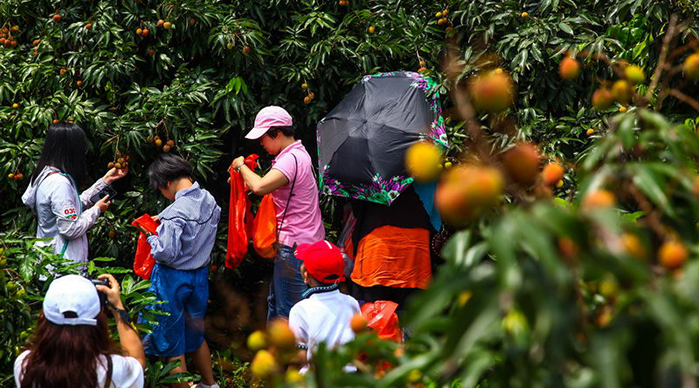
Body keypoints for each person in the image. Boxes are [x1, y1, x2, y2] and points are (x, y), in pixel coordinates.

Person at [231, 106, 325, 321]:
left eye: (263, 138)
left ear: (277, 133)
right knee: (279, 304)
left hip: (294, 247)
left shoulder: (290, 159)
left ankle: (290, 354)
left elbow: (260, 187)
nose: (261, 144)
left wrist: (240, 167)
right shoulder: (299, 155)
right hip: (306, 242)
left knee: (289, 312)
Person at [139, 154, 220, 388]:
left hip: (172, 279)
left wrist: (153, 236)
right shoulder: (209, 199)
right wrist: (165, 221)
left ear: (166, 183)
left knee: (171, 342)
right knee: (195, 336)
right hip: (199, 276)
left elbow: (165, 253)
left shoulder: (175, 213)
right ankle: (210, 384)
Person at [22, 123, 128, 268]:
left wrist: (105, 181)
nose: (84, 152)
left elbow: (72, 206)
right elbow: (70, 229)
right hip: (63, 268)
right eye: (81, 148)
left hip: (49, 263)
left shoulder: (43, 174)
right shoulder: (60, 184)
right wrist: (96, 210)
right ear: (70, 150)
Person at [14, 274, 145, 388]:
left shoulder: (25, 365)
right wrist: (117, 307)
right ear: (98, 320)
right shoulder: (114, 369)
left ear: (43, 318)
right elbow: (137, 360)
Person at [288, 240, 360, 373]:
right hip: (349, 379)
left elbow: (300, 355)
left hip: (316, 380)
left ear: (306, 275)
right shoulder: (351, 303)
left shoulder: (300, 310)